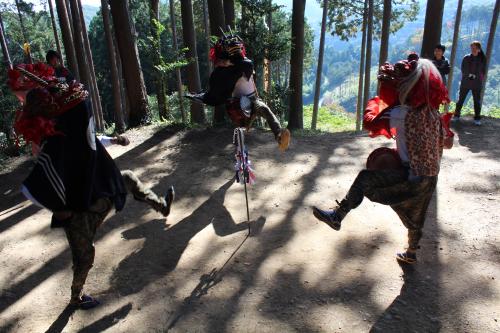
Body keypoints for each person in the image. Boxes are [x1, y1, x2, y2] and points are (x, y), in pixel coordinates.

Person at [9, 63, 175, 309]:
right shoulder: (56, 146)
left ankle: (161, 206)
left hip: (99, 188)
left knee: (127, 178)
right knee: (85, 258)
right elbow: (34, 186)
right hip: (78, 209)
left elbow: (91, 139)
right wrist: (60, 209)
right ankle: (76, 297)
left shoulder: (76, 131)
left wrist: (115, 139)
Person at [312, 56, 454, 264]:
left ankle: (337, 216)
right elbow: (448, 144)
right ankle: (411, 253)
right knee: (417, 215)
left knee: (366, 180)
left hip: (409, 175)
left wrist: (376, 103)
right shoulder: (434, 115)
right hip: (430, 177)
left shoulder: (400, 113)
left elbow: (370, 123)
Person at [185, 34, 290, 152]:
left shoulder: (245, 65)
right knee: (257, 113)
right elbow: (217, 90)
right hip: (239, 105)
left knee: (265, 110)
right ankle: (249, 137)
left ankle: (279, 135)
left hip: (252, 101)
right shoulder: (227, 71)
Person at [453, 41, 486, 125]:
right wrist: (471, 76)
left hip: (477, 83)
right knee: (461, 99)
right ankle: (456, 115)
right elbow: (464, 69)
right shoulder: (466, 58)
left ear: (479, 49)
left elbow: (483, 71)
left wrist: (476, 76)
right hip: (466, 82)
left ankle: (477, 118)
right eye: (472, 48)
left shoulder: (482, 59)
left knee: (476, 101)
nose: (473, 49)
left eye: (475, 48)